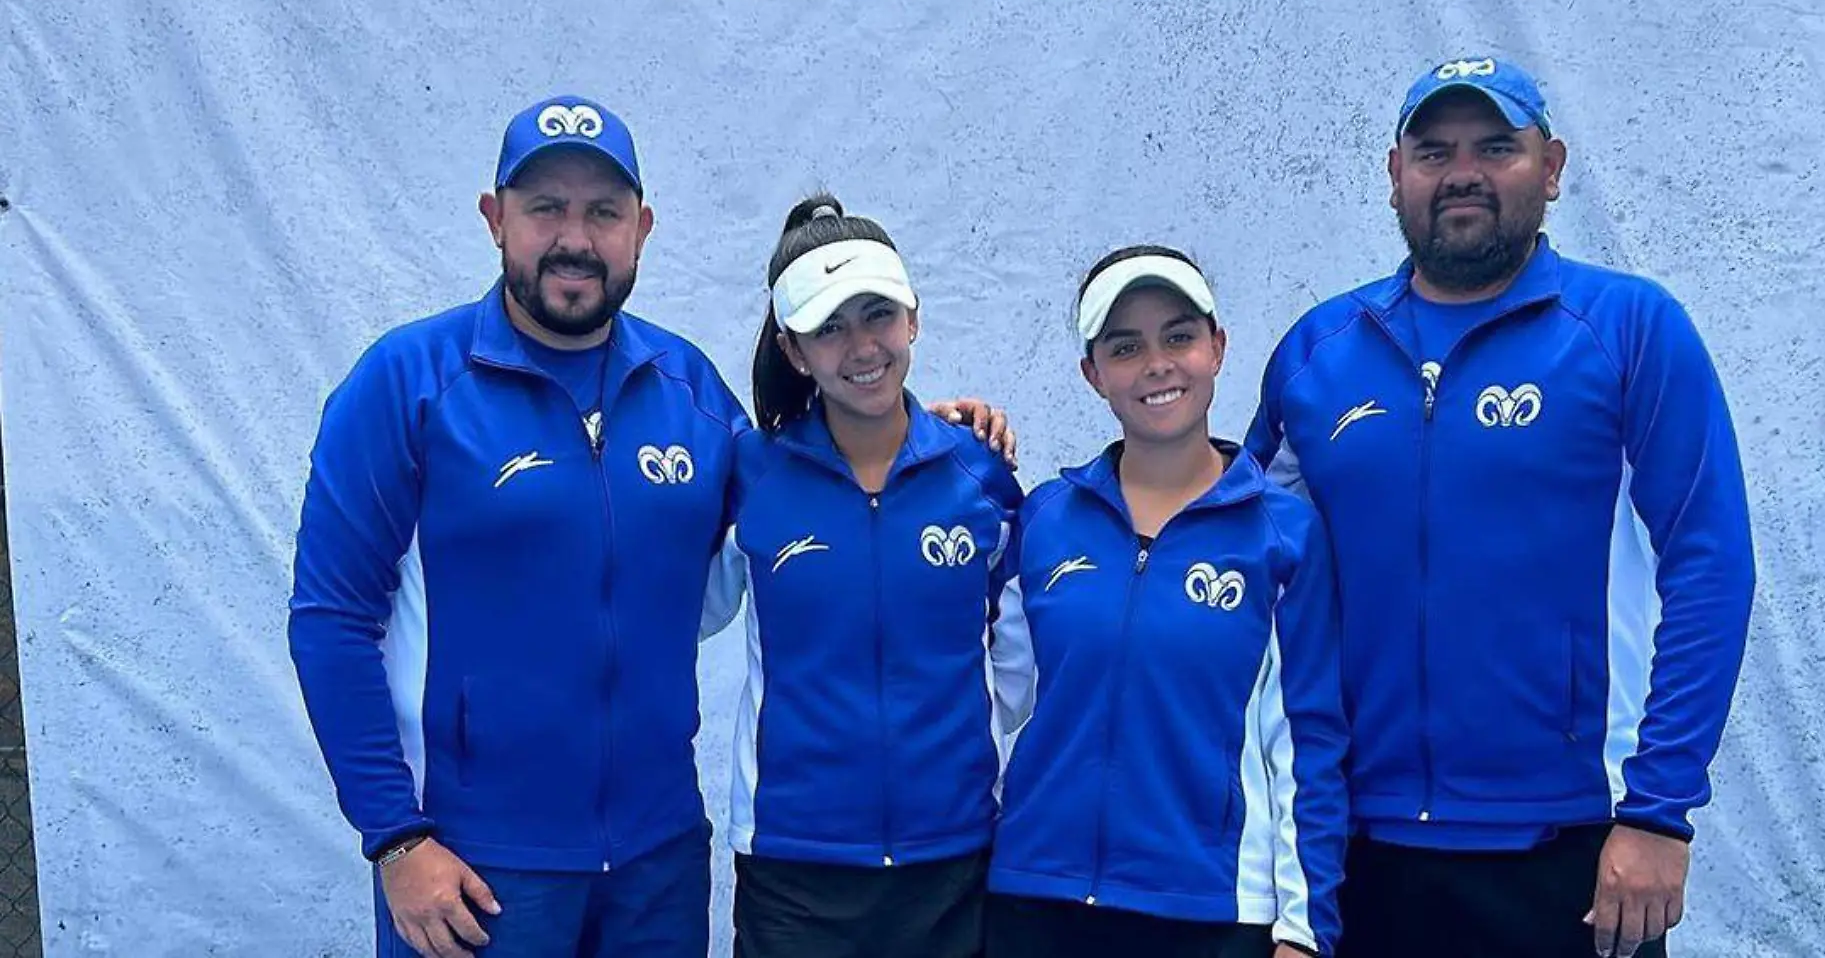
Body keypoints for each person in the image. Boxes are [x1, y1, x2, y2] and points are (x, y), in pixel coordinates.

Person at [286, 96, 1012, 958]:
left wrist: (921, 434)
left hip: (657, 866)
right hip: (476, 867)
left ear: (642, 228)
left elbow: (815, 481)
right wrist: (396, 839)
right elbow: (331, 621)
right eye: (544, 207)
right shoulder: (405, 383)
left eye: (603, 212)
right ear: (495, 219)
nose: (575, 238)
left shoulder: (692, 393)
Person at [1244, 56, 1756, 958]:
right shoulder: (1318, 353)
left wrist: (1659, 813)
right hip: (1359, 849)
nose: (1463, 173)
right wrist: (972, 439)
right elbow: (1223, 538)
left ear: (1551, 167)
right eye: (1434, 152)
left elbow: (1711, 566)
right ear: (1395, 174)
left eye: (1496, 147)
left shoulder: (1630, 327)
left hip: (1575, 851)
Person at [984, 245, 1350, 958]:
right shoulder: (1046, 520)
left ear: (1216, 347)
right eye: (1126, 347)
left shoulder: (1283, 536)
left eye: (1179, 336)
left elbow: (1306, 744)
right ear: (1093, 374)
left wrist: (1304, 932)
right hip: (1038, 903)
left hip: (1209, 911)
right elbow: (988, 702)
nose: (1157, 363)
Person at [698, 194, 1025, 958]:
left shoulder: (981, 474)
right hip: (794, 868)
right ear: (793, 348)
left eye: (877, 314)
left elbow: (1019, 673)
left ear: (913, 318)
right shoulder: (750, 475)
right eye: (829, 327)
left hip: (954, 860)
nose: (861, 346)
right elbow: (681, 614)